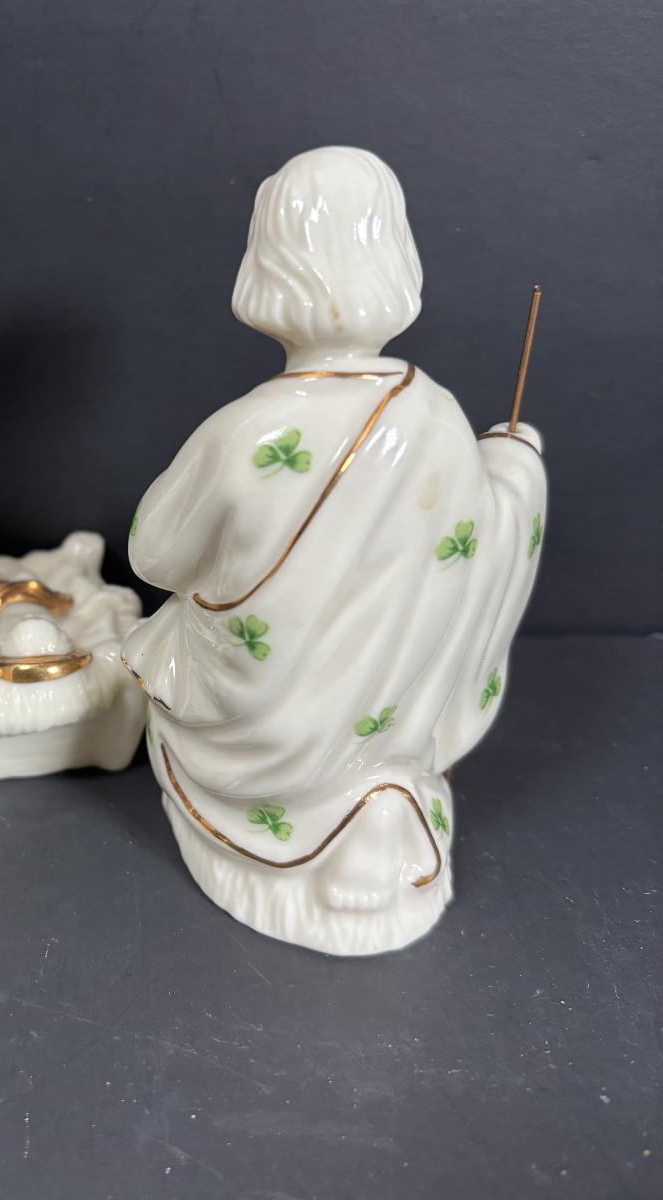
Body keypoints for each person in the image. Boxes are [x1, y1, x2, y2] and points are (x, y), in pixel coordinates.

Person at [123, 147, 547, 955]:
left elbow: (153, 554)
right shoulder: (439, 416)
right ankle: (379, 792)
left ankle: (306, 810)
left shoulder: (247, 431)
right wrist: (514, 465)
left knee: (174, 638)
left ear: (264, 268)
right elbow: (485, 533)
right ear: (399, 261)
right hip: (390, 703)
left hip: (264, 718)